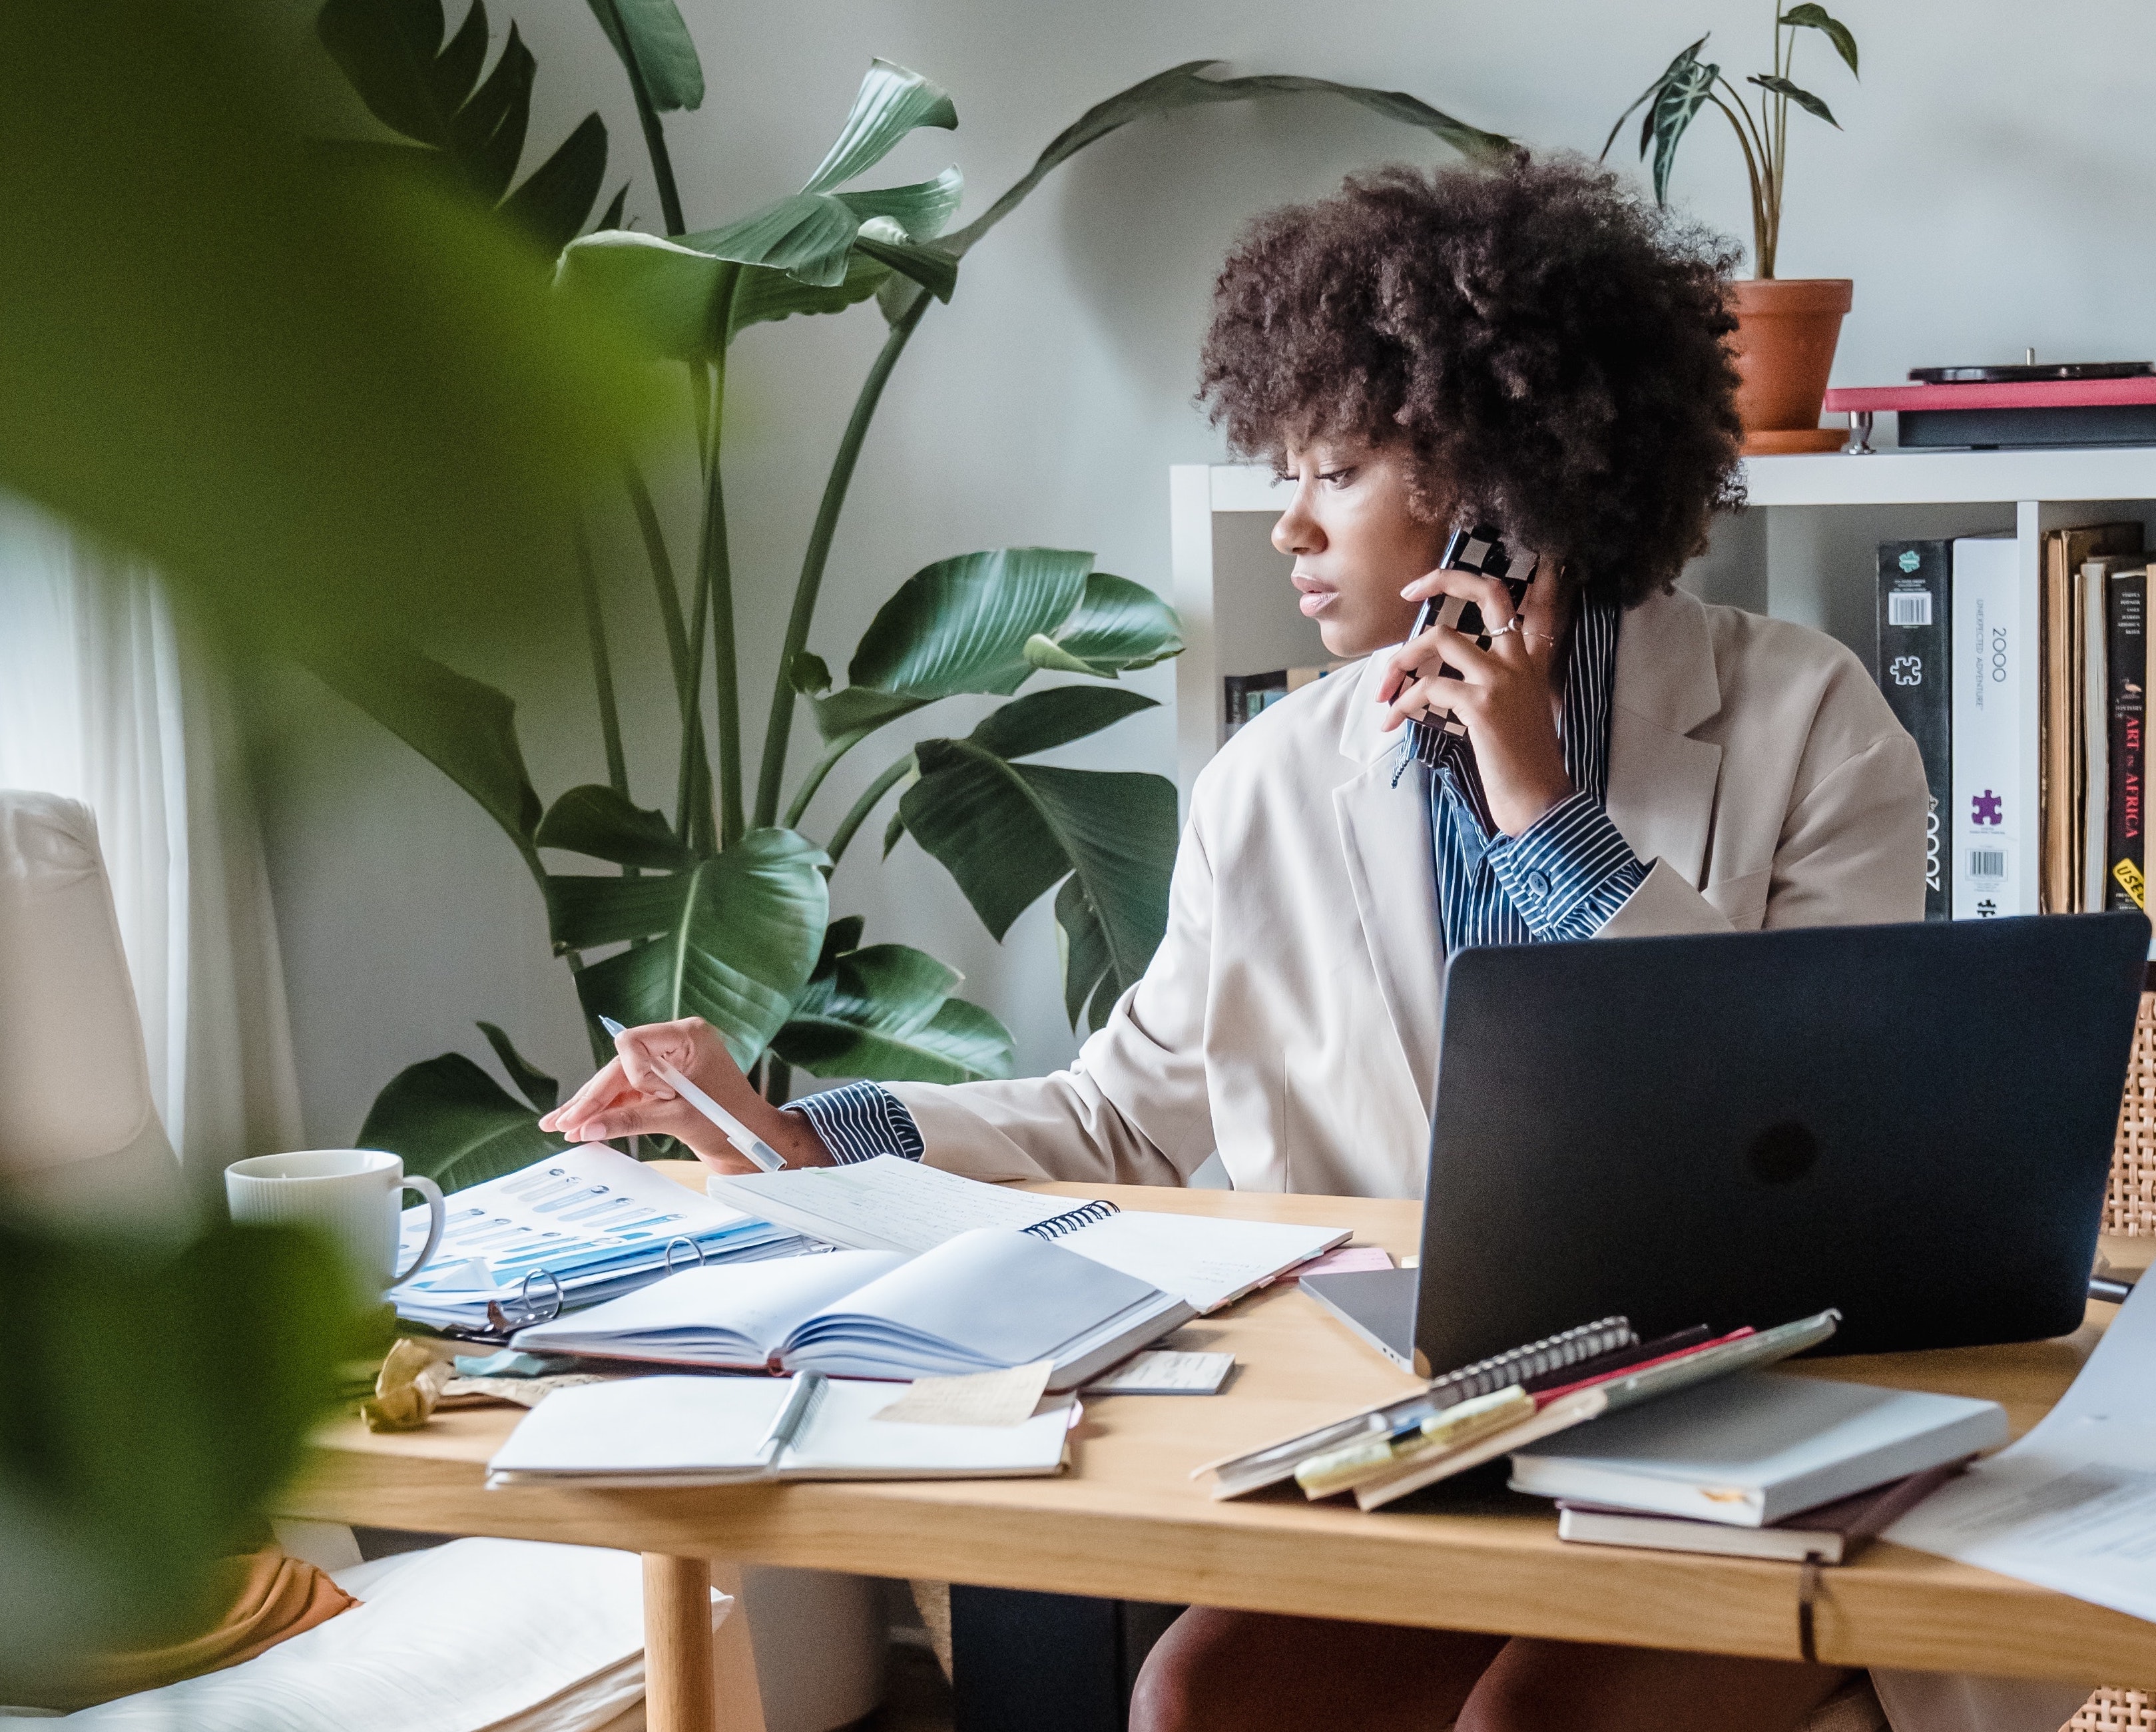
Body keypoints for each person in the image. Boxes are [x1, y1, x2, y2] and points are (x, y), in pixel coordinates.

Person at [544, 152, 1948, 1732]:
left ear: (1502, 483)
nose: (1287, 522)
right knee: (1200, 1698)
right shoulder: (1276, 775)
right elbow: (1118, 1113)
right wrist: (799, 1125)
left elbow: (1802, 1126)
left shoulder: (1809, 719)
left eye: (1334, 469)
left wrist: (1546, 812)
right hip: (1443, 1422)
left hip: (1752, 1412)